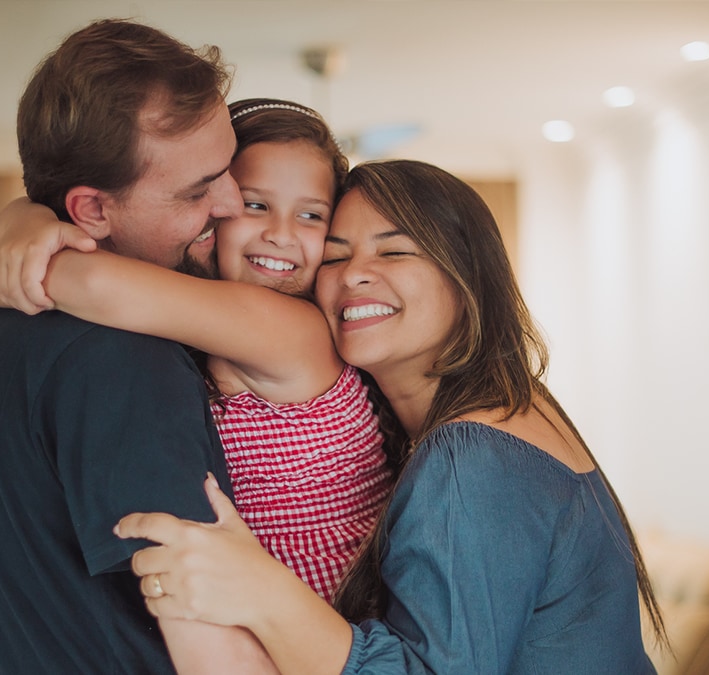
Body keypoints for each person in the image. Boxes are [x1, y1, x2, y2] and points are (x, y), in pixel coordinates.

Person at [115, 160, 667, 673]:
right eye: (335, 256)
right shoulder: (513, 408)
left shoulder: (473, 454)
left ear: (466, 274)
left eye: (394, 252)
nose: (354, 275)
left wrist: (260, 588)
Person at [0, 99, 394, 602]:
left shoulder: (296, 331)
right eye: (255, 204)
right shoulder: (202, 329)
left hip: (332, 632)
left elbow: (96, 283)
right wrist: (19, 221)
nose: (281, 234)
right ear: (215, 207)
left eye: (311, 215)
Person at [0, 19, 276, 674]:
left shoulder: (6, 329)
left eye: (227, 169)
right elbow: (217, 651)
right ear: (91, 209)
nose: (234, 204)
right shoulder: (123, 356)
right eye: (197, 189)